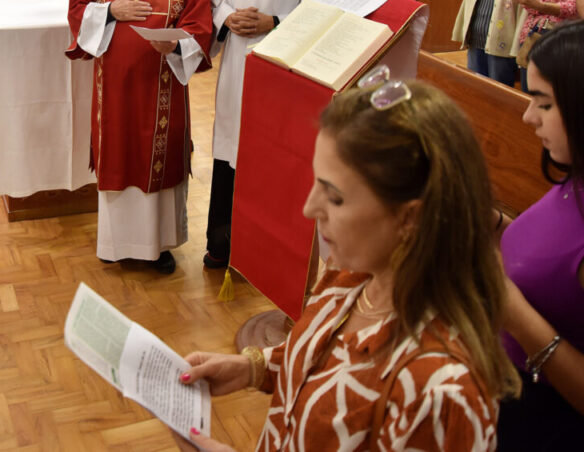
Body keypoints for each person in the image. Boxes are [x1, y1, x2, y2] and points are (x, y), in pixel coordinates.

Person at [180, 76, 519, 451]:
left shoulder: (442, 392)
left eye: (335, 197)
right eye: (316, 182)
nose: (309, 208)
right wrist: (252, 368)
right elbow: (328, 360)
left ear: (409, 219)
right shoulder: (354, 273)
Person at [65, 0, 213, 274]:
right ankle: (116, 243)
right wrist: (111, 11)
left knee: (157, 160)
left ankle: (158, 246)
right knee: (119, 155)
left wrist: (178, 44)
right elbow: (77, 7)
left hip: (162, 88)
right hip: (114, 89)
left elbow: (200, 23)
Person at [203, 0, 334, 268]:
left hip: (284, 78)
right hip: (237, 72)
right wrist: (226, 17)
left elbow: (328, 19)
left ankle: (268, 250)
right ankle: (223, 244)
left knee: (273, 159)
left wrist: (275, 23)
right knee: (230, 155)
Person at [497, 20, 584, 449]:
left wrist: (515, 315)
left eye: (544, 104)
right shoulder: (575, 176)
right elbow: (558, 261)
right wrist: (494, 224)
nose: (527, 116)